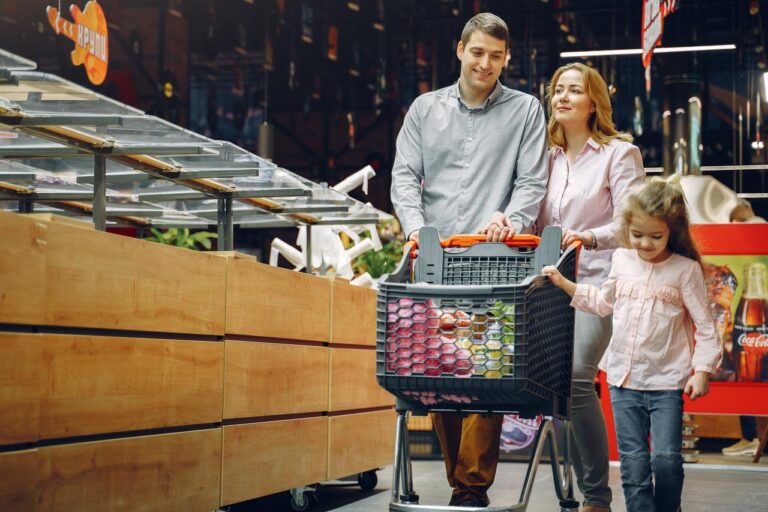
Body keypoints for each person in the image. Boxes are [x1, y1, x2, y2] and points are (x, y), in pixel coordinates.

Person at [390, 12, 548, 507]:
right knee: (440, 370)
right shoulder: (424, 110)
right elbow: (404, 178)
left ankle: (471, 486)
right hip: (435, 261)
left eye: (496, 56)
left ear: (506, 59)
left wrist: (511, 217)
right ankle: (463, 479)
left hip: (497, 259)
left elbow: (532, 181)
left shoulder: (525, 111)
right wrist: (417, 231)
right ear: (460, 50)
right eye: (478, 52)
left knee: (487, 369)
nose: (486, 64)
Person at [543, 177, 722, 512]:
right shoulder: (622, 260)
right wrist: (565, 283)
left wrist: (702, 371)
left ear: (673, 230)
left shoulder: (685, 270)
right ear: (627, 227)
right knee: (634, 464)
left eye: (656, 236)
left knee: (667, 460)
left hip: (667, 381)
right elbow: (601, 302)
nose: (645, 243)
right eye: (637, 234)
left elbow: (706, 327)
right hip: (623, 381)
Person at [535, 62, 645, 512]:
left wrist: (590, 236)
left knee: (579, 379)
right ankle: (579, 491)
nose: (562, 97)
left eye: (573, 90)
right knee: (557, 387)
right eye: (557, 89)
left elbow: (633, 222)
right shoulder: (543, 157)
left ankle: (596, 498)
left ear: (593, 101)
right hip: (547, 286)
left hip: (599, 281)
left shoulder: (619, 154)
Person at [722, 199, 766, 456]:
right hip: (748, 314)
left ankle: (751, 436)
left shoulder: (756, 229)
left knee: (749, 370)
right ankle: (750, 435)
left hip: (756, 317)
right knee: (745, 367)